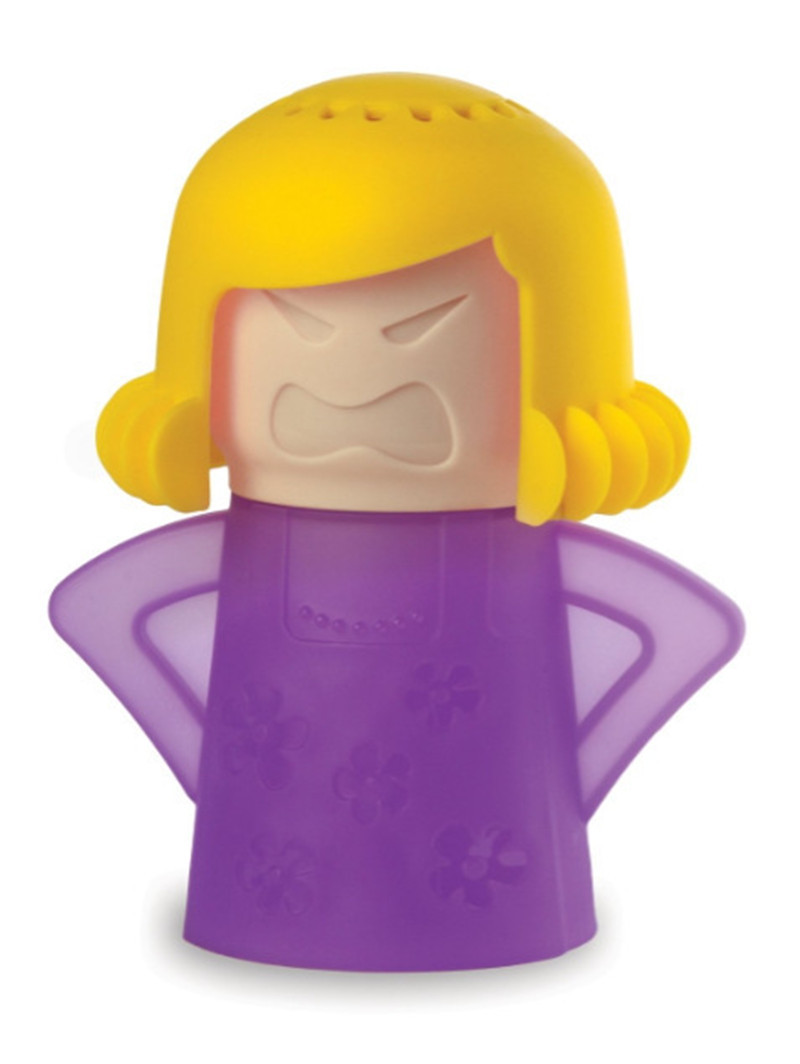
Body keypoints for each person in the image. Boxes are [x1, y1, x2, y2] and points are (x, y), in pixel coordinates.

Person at [50, 73, 743, 970]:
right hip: (277, 878)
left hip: (485, 886)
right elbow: (672, 630)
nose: (349, 365)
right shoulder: (246, 528)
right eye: (297, 321)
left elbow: (115, 611)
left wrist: (565, 770)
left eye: (424, 324)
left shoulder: (519, 523)